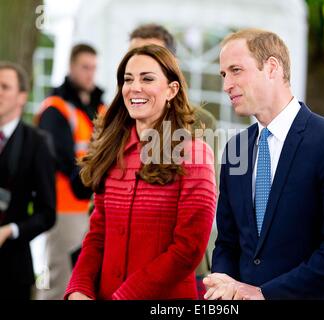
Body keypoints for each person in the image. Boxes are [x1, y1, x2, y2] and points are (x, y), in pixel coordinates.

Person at [203, 28, 324, 300]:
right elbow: (228, 242)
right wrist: (223, 283)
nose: (226, 85)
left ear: (271, 68)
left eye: (235, 70)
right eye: (224, 75)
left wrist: (265, 294)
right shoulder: (236, 148)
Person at [64, 44, 216, 300]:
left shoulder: (195, 154)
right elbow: (98, 234)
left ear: (171, 89)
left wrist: (124, 297)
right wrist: (79, 288)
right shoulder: (112, 151)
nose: (135, 87)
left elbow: (187, 250)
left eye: (147, 79)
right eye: (128, 79)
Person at [129, 23, 218, 297]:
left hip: (181, 265)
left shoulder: (200, 122)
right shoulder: (112, 121)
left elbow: (201, 203)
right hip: (122, 258)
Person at [35, 44, 105, 300]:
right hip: (67, 207)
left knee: (86, 285)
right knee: (61, 282)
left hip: (95, 207)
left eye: (93, 68)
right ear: (71, 67)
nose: (90, 74)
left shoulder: (100, 109)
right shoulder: (55, 109)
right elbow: (63, 160)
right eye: (84, 67)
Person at [0, 62, 56, 299]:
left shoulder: (37, 143)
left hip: (11, 271)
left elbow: (47, 213)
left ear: (22, 97)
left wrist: (10, 231)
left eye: (4, 87)